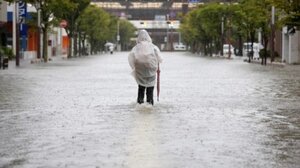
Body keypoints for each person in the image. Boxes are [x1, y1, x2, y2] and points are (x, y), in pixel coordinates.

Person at [128, 29, 162, 105]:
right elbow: (159, 58)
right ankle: (150, 104)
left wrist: (135, 67)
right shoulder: (153, 47)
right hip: (151, 71)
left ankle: (140, 103)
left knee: (141, 88)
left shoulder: (136, 47)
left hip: (140, 72)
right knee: (150, 89)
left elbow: (131, 58)